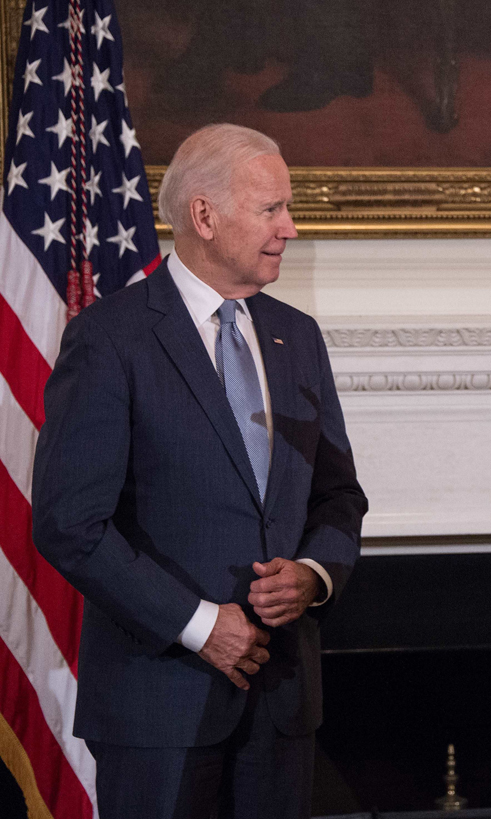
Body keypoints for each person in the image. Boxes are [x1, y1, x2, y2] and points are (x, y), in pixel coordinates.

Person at [33, 124, 368, 819]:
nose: (291, 227)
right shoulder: (110, 338)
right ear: (204, 216)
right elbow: (69, 524)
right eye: (271, 208)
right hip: (158, 707)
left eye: (289, 207)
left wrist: (314, 574)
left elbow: (338, 496)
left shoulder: (296, 336)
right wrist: (197, 622)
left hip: (281, 703)